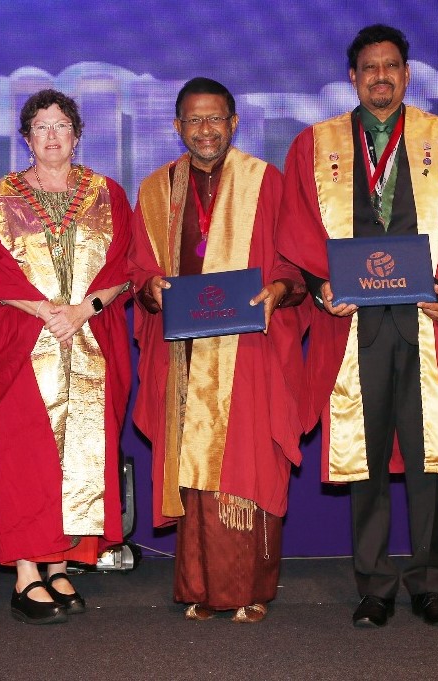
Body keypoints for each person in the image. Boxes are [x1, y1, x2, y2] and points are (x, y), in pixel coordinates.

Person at [279, 24, 438, 628]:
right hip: (354, 330)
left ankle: (430, 583)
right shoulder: (314, 145)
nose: (380, 76)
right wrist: (322, 288)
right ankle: (374, 583)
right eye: (369, 67)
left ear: (407, 73)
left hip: (428, 323)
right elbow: (295, 229)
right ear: (352, 77)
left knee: (429, 462)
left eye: (391, 66)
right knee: (362, 461)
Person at [129, 77, 307, 623]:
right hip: (185, 355)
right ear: (177, 126)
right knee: (194, 470)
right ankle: (200, 588)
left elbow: (295, 263)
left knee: (247, 466)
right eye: (193, 120)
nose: (205, 130)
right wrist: (150, 289)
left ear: (234, 123)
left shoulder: (266, 182)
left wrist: (279, 290)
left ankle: (249, 589)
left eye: (215, 119)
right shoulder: (156, 189)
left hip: (248, 352)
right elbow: (140, 267)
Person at [0, 89, 132, 625]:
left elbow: (126, 266)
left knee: (76, 457)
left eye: (62, 124)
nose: (53, 134)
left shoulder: (107, 193)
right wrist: (45, 311)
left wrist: (83, 310)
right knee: (25, 459)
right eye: (41, 126)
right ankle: (24, 575)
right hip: (23, 345)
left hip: (88, 340)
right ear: (26, 138)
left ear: (77, 133)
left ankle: (59, 562)